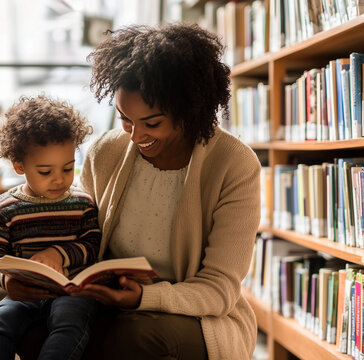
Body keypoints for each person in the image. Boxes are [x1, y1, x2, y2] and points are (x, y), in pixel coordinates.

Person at [66, 22, 261, 360]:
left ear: (188, 110)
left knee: (133, 337)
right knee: (25, 324)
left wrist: (143, 299)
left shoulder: (235, 164)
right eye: (125, 118)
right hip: (108, 303)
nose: (135, 136)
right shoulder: (105, 152)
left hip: (197, 316)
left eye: (151, 123)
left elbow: (218, 290)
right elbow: (81, 238)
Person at [0, 94, 101, 360]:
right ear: (19, 165)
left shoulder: (83, 202)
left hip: (70, 291)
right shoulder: (3, 207)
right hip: (24, 292)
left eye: (68, 168)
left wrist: (59, 254)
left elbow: (92, 244)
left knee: (69, 324)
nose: (59, 180)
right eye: (46, 171)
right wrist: (6, 279)